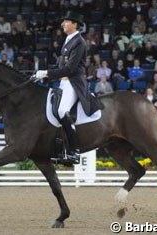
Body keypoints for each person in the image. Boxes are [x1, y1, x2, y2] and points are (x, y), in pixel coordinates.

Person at [35, 11, 103, 164]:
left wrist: (47, 73)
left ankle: (74, 151)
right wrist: (42, 73)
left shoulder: (79, 42)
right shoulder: (68, 39)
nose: (62, 24)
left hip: (74, 82)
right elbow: (60, 65)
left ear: (74, 24)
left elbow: (70, 69)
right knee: (52, 110)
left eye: (66, 21)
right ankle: (59, 147)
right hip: (63, 82)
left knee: (61, 110)